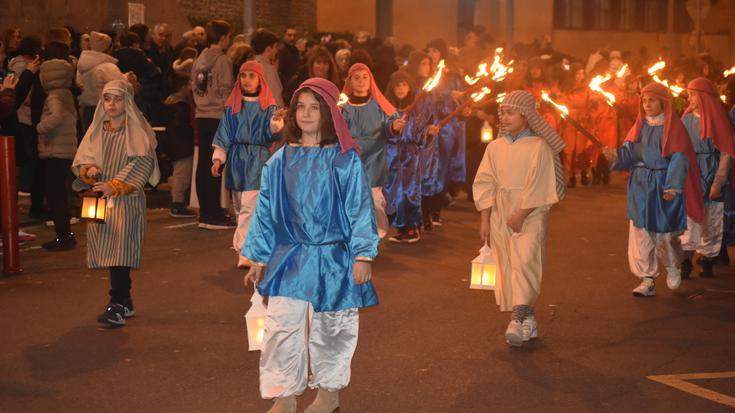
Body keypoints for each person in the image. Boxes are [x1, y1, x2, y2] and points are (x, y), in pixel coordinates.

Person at [242, 78, 378, 413]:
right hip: (290, 256)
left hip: (335, 256)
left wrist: (363, 254)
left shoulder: (345, 161)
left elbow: (360, 209)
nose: (306, 113)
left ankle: (329, 394)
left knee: (334, 327)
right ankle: (284, 394)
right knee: (281, 326)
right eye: (300, 106)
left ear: (329, 113)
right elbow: (266, 211)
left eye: (314, 107)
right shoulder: (279, 160)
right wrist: (258, 257)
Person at [473, 90, 561, 347]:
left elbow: (541, 185)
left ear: (526, 115)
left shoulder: (539, 147)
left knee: (526, 261)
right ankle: (528, 319)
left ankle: (517, 318)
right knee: (509, 264)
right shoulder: (495, 147)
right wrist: (485, 219)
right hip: (502, 212)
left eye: (511, 112)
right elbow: (485, 181)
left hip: (530, 213)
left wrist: (522, 214)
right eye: (502, 113)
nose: (505, 117)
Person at [72, 79, 159, 327]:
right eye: (107, 99)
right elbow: (84, 159)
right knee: (110, 252)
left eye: (117, 99)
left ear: (127, 101)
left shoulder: (136, 131)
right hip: (101, 200)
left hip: (126, 201)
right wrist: (90, 169)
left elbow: (143, 163)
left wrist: (116, 184)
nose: (111, 104)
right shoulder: (98, 128)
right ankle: (125, 301)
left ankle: (117, 303)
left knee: (120, 252)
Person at [604, 82, 703, 297]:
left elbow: (679, 158)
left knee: (665, 234)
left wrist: (672, 186)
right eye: (644, 100)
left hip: (663, 185)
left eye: (652, 100)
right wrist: (616, 156)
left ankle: (672, 266)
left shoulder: (674, 128)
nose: (646, 104)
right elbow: (628, 153)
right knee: (640, 233)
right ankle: (647, 278)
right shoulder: (638, 126)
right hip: (640, 186)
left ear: (663, 103)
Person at [212, 61, 285, 268]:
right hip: (236, 159)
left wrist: (275, 123)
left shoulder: (268, 106)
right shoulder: (232, 106)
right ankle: (251, 247)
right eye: (243, 75)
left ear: (260, 79)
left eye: (251, 76)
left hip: (258, 158)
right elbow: (224, 132)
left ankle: (245, 251)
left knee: (249, 206)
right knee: (239, 206)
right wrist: (218, 158)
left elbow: (273, 134)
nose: (247, 80)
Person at [341, 63, 405, 239]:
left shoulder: (379, 105)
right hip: (350, 159)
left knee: (374, 201)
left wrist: (394, 126)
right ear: (350, 81)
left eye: (365, 77)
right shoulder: (342, 107)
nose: (361, 81)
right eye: (356, 77)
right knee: (351, 200)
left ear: (371, 80)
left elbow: (389, 126)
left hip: (374, 159)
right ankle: (353, 237)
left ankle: (373, 236)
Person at [679, 77, 735, 278]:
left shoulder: (717, 120)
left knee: (711, 218)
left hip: (711, 173)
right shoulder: (686, 119)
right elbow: (679, 149)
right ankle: (685, 258)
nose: (689, 98)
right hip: (692, 173)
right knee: (690, 217)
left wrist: (718, 182)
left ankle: (707, 258)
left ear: (703, 97)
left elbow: (726, 153)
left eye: (693, 94)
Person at [191, 20, 236, 230]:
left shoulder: (199, 59)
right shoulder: (223, 61)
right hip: (218, 114)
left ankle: (206, 212)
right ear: (223, 37)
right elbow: (226, 90)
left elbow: (196, 86)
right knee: (217, 163)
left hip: (201, 113)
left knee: (203, 165)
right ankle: (213, 214)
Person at [37, 59, 78, 251]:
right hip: (67, 149)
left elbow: (56, 116)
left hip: (56, 149)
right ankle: (65, 234)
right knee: (61, 193)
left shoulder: (54, 96)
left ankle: (63, 235)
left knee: (55, 195)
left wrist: (39, 127)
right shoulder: (67, 94)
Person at [384, 70, 425, 243]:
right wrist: (393, 129)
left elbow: (421, 133)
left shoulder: (416, 110)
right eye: (397, 85)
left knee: (410, 192)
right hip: (392, 155)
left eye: (404, 85)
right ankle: (400, 227)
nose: (400, 89)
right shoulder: (387, 110)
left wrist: (428, 132)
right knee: (393, 192)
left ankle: (412, 226)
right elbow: (383, 131)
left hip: (410, 157)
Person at [76, 32, 127, 133]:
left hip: (86, 111)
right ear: (107, 48)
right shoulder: (108, 67)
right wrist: (128, 79)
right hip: (105, 112)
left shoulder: (81, 66)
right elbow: (120, 87)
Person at [164, 71, 197, 218]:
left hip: (176, 145)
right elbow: (183, 126)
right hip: (182, 146)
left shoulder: (171, 102)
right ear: (183, 86)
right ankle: (177, 204)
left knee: (180, 173)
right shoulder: (181, 105)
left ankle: (179, 202)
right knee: (182, 175)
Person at [252, 30, 284, 107]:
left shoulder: (249, 65)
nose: (276, 51)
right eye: (275, 47)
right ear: (268, 48)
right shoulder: (268, 69)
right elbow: (276, 96)